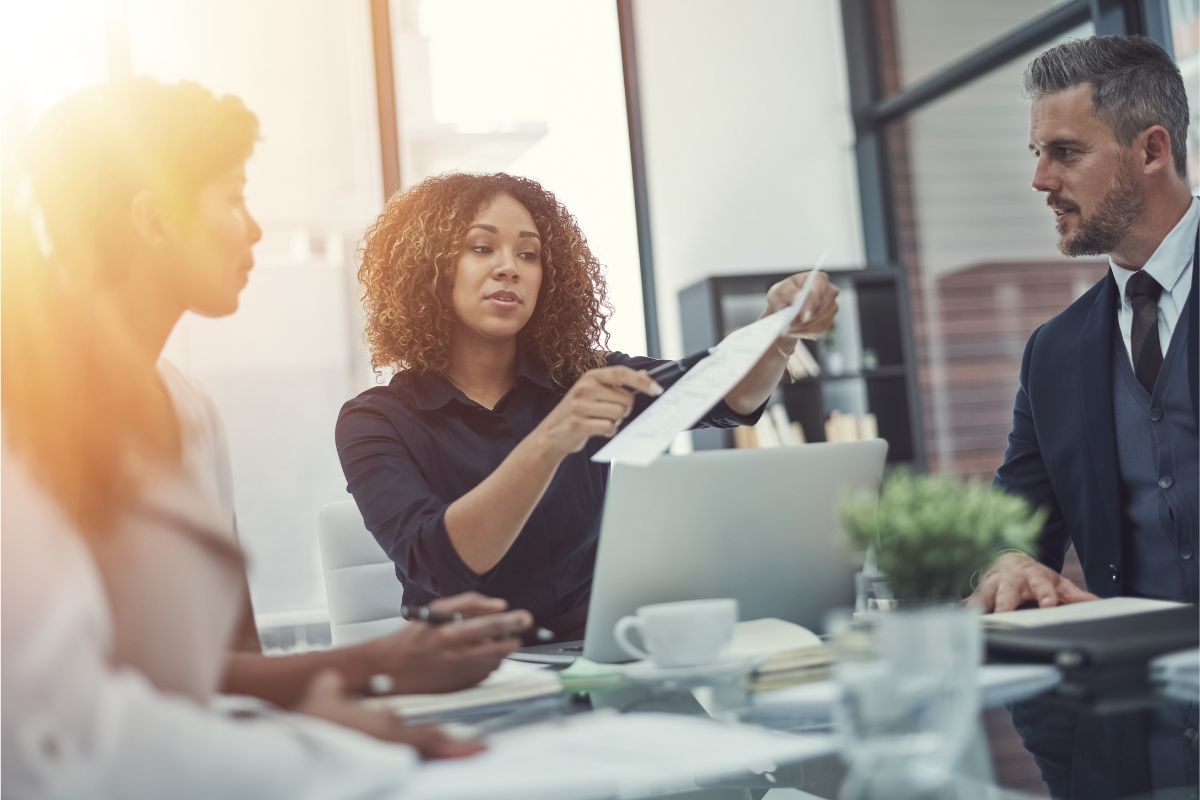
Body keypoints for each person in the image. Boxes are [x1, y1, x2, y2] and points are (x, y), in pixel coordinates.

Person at [1, 77, 519, 797]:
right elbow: (59, 735)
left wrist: (349, 699)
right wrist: (341, 721)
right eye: (233, 197)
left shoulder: (186, 410)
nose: (253, 230)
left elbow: (220, 663)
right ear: (152, 220)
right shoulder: (22, 408)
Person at [335, 172, 839, 640]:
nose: (509, 268)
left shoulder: (579, 381)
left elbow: (724, 392)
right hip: (459, 674)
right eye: (482, 248)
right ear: (428, 269)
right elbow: (444, 565)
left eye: (529, 255)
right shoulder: (375, 421)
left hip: (591, 653)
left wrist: (778, 329)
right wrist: (552, 439)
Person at [964, 36, 1198, 799]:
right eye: (1037, 152)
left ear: (1152, 151)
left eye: (1064, 152)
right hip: (1129, 758)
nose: (1040, 179)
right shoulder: (1054, 352)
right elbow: (1009, 528)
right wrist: (1005, 563)